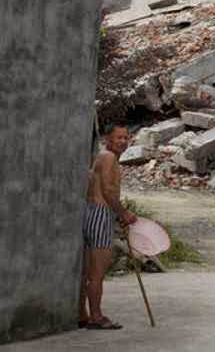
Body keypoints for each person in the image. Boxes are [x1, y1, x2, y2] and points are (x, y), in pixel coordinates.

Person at [79, 126, 137, 330]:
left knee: (87, 271)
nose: (123, 141)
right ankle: (96, 317)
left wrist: (118, 213)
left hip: (92, 212)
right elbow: (108, 190)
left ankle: (82, 313)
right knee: (97, 272)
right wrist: (124, 214)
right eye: (118, 137)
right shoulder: (109, 158)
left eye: (126, 137)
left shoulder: (102, 157)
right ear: (108, 140)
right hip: (101, 214)